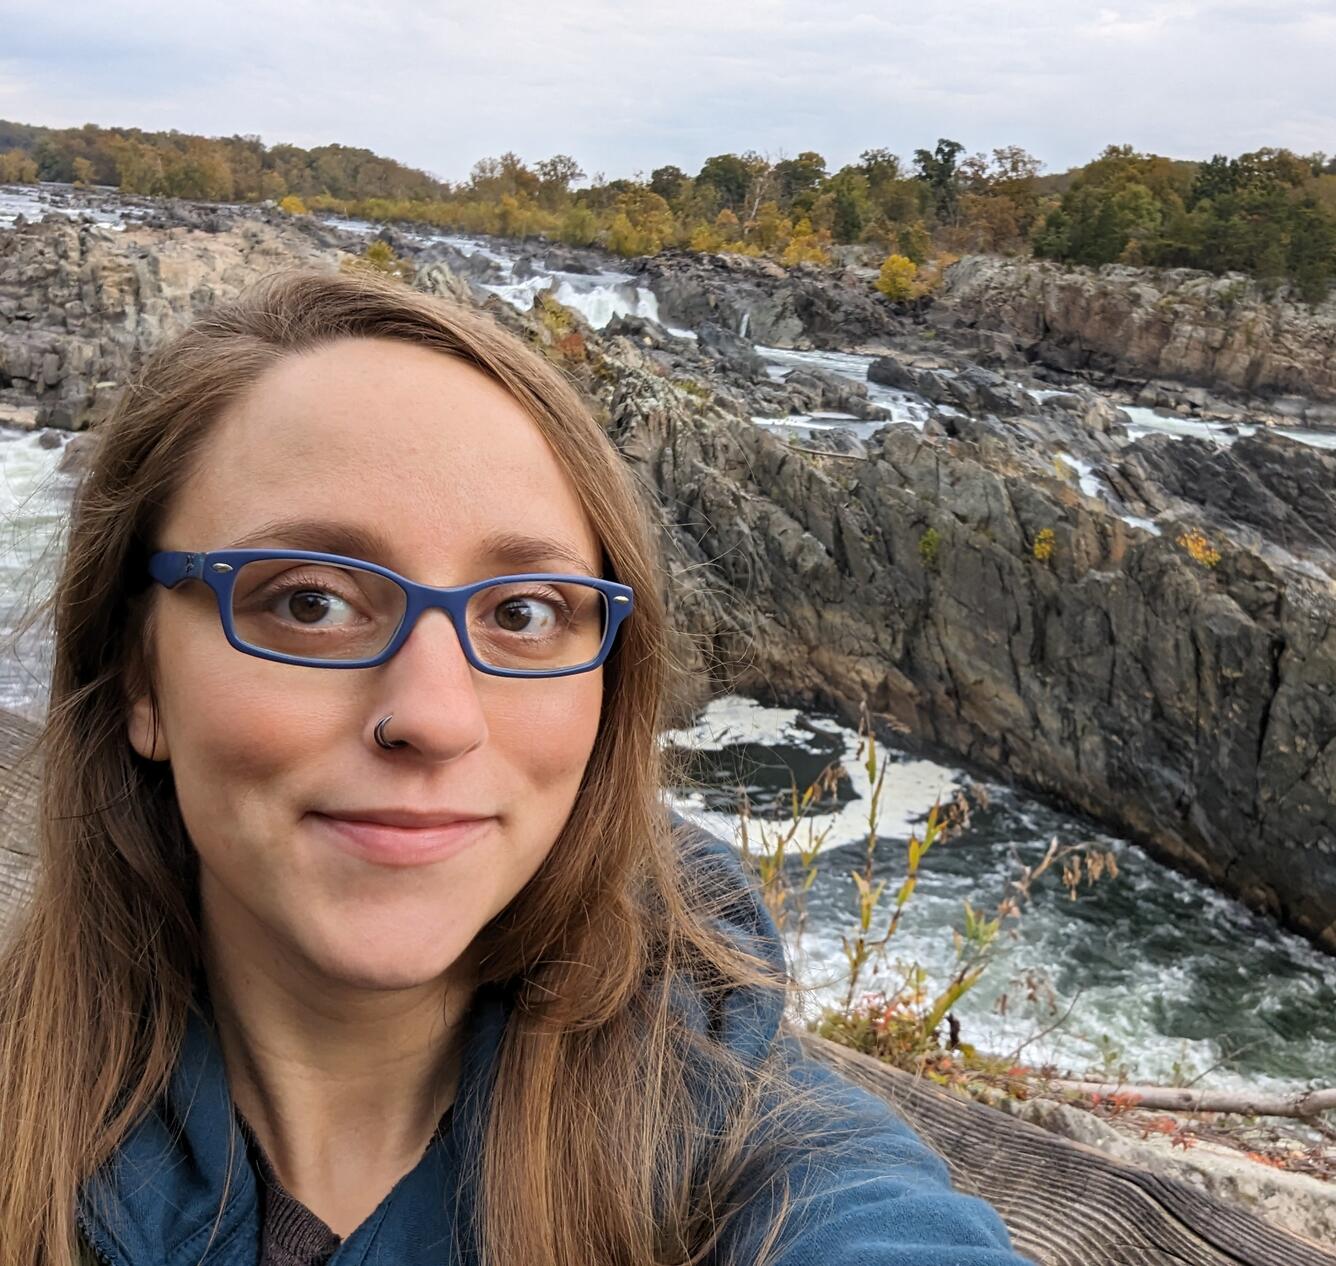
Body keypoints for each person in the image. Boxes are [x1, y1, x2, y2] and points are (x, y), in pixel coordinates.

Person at [0, 269, 1032, 1265]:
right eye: (309, 600)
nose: (436, 717)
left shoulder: (733, 1136)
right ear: (140, 677)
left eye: (524, 613)